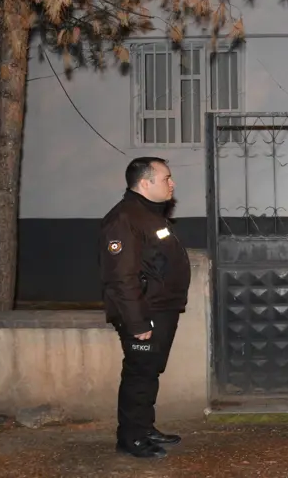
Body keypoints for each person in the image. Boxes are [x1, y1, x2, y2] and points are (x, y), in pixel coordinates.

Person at [98, 157, 191, 459]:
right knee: (139, 374)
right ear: (145, 183)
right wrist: (137, 323)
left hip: (160, 309)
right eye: (166, 178)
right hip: (144, 313)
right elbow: (121, 277)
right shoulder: (124, 218)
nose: (172, 184)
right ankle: (131, 438)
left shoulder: (149, 215)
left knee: (150, 372)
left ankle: (144, 428)